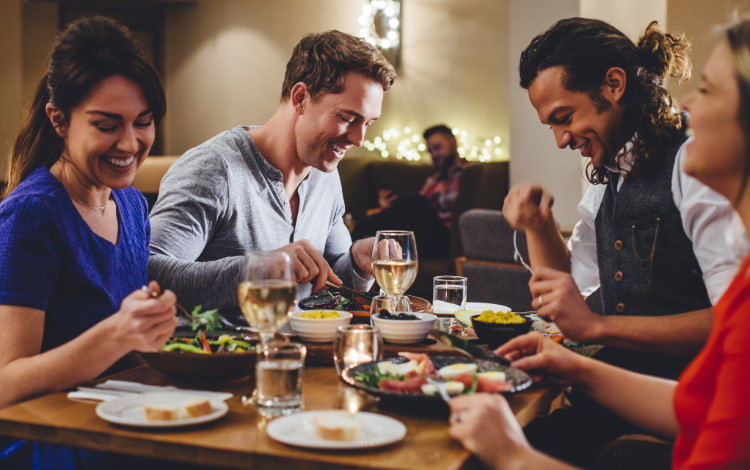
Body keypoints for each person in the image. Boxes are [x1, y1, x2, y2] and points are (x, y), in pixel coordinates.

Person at [450, 17, 750, 470]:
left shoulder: (694, 165)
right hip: (619, 397)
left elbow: (728, 327)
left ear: (613, 85)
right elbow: (572, 290)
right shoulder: (611, 173)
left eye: (564, 118)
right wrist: (537, 225)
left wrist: (597, 330)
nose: (559, 139)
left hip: (664, 417)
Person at [0, 16, 178, 469]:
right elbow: (6, 381)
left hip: (121, 422)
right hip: (52, 442)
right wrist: (117, 335)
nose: (130, 142)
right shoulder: (32, 215)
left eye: (143, 122)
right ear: (59, 120)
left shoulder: (133, 204)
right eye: (106, 124)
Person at [148, 30, 396, 318]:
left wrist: (357, 260)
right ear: (301, 97)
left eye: (367, 123)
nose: (358, 139)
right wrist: (262, 268)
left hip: (301, 355)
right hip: (226, 357)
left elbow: (330, 280)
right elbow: (147, 271)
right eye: (347, 118)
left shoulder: (324, 172)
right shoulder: (215, 169)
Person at [351, 124, 467, 259]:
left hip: (448, 241)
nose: (434, 154)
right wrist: (389, 207)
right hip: (425, 237)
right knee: (406, 211)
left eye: (437, 148)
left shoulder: (468, 174)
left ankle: (356, 233)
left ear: (453, 143)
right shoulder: (433, 180)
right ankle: (360, 240)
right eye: (430, 151)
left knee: (415, 202)